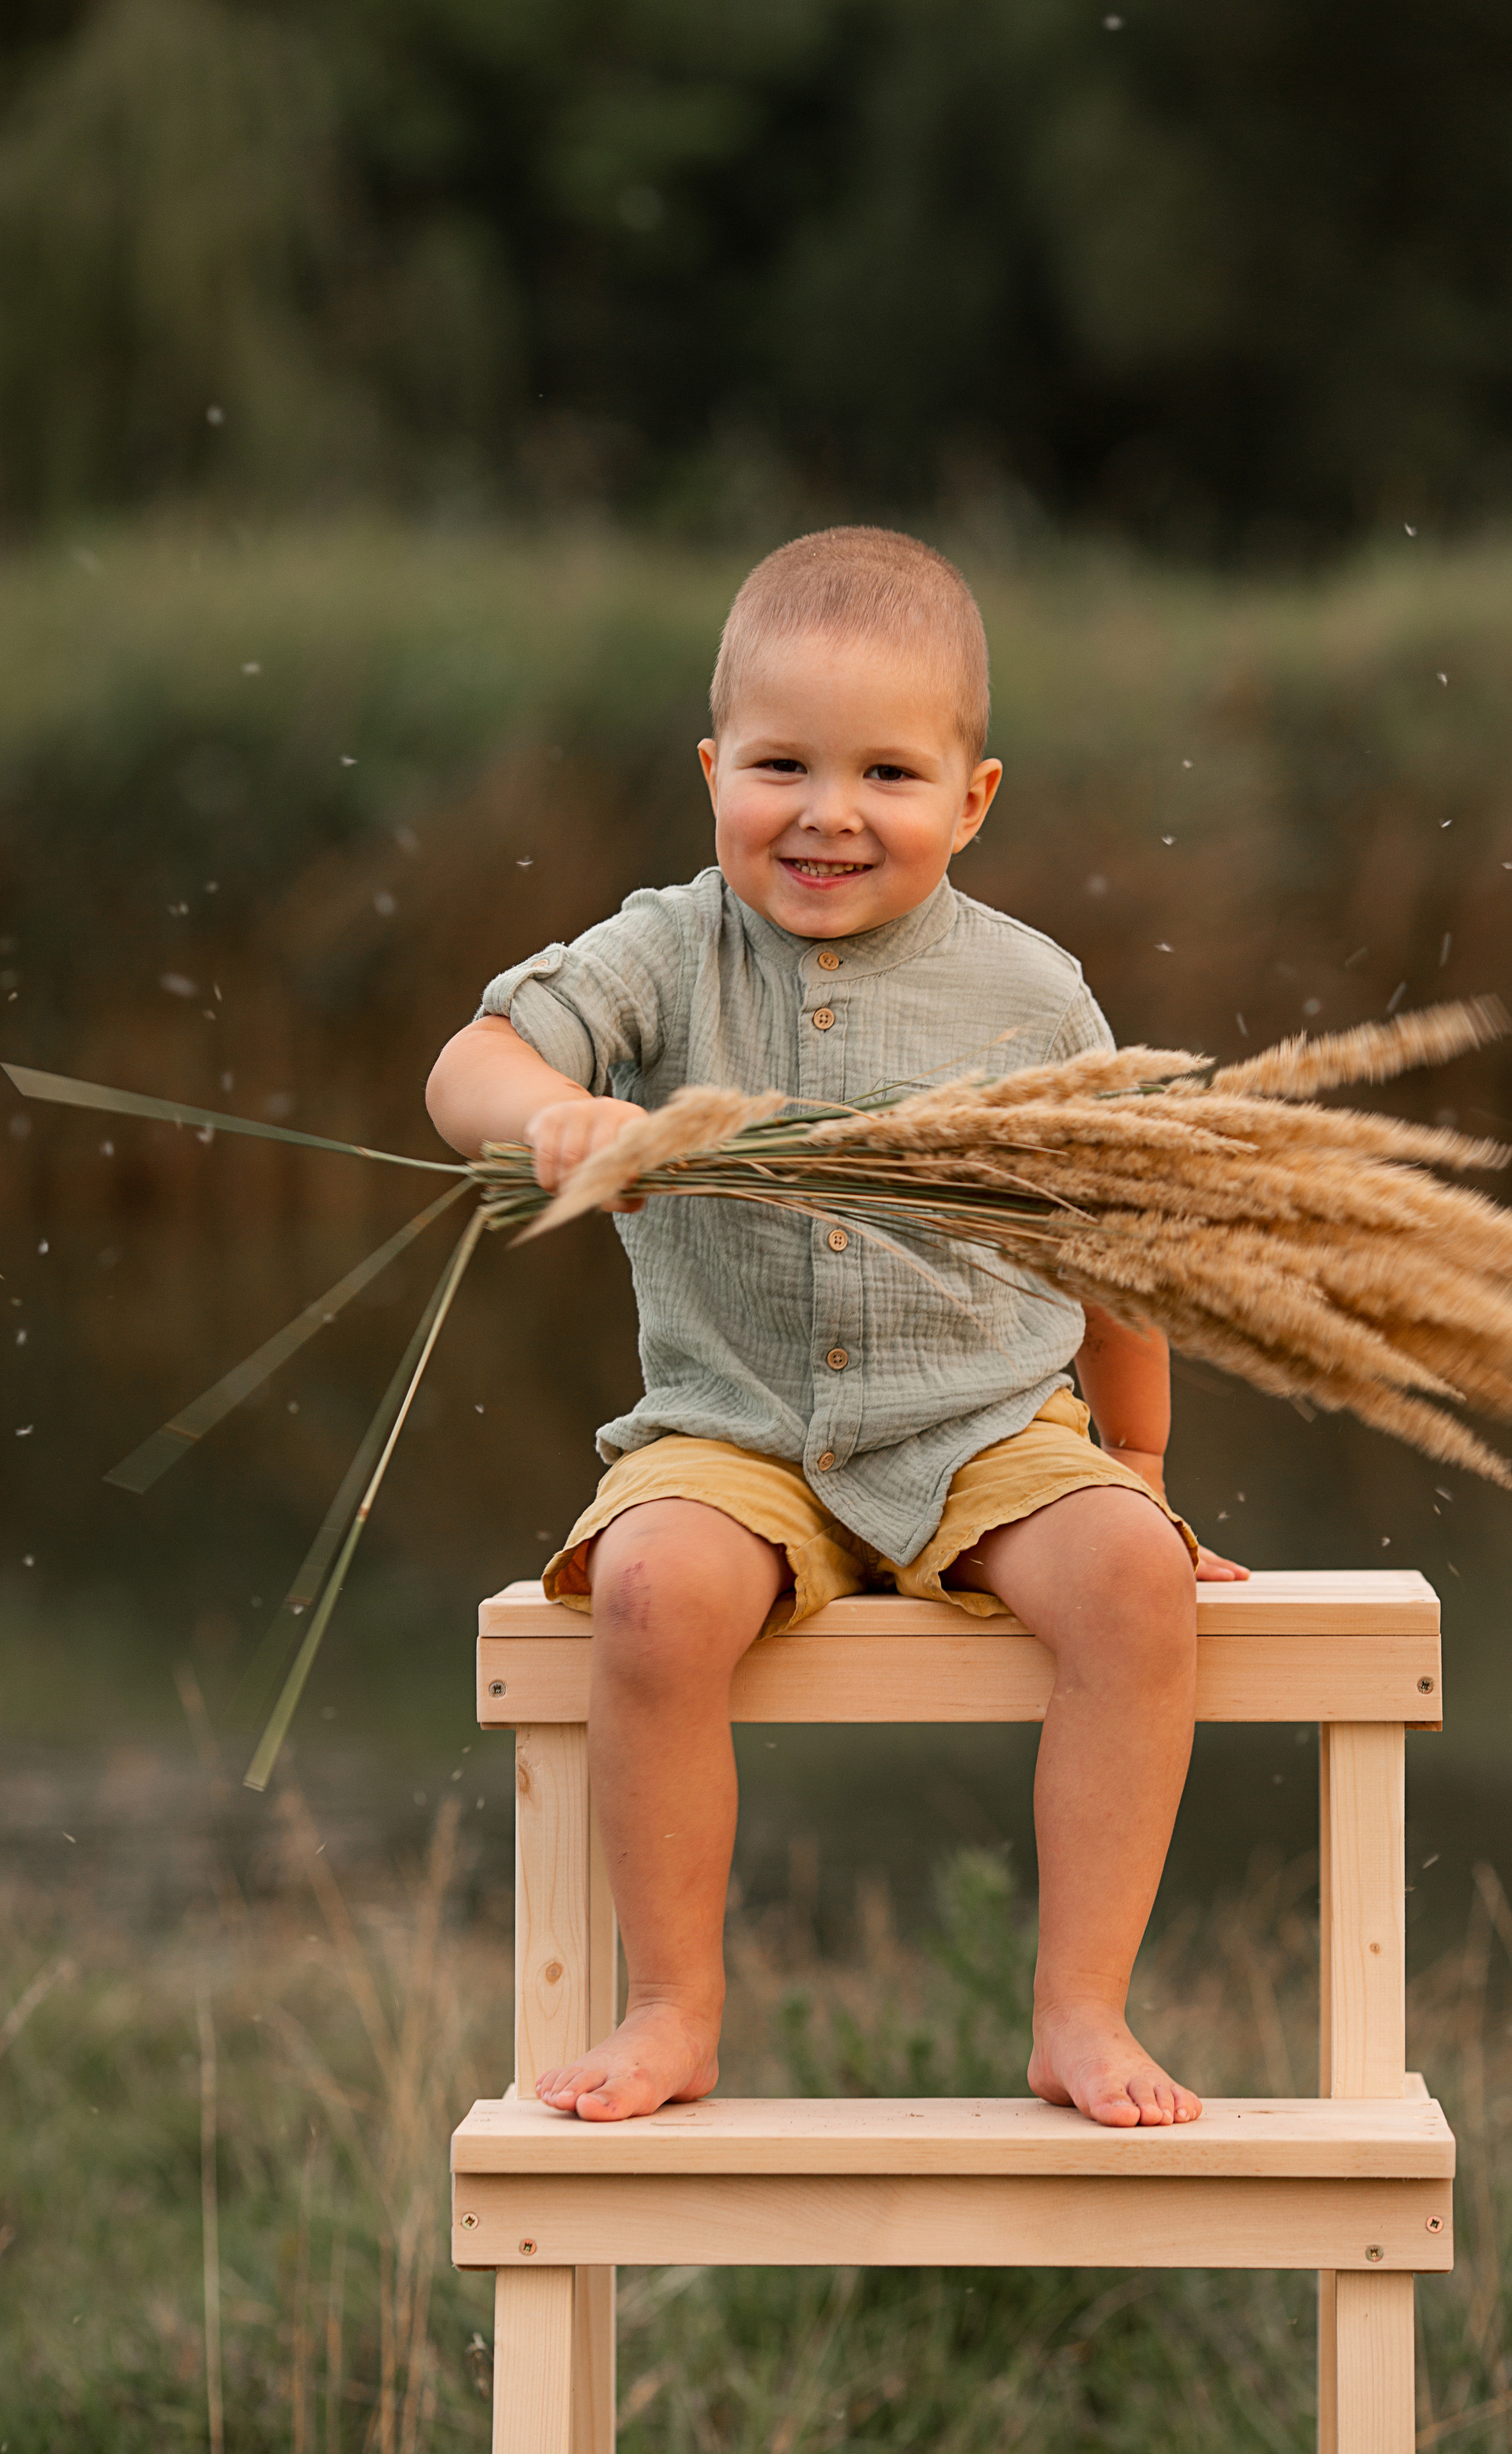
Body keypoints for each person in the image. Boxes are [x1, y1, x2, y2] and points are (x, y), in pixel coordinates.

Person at [425, 527, 1247, 2131]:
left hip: (984, 1429)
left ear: (972, 798)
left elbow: (1115, 1244)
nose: (827, 813)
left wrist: (1139, 1461)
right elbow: (472, 1061)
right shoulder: (663, 951)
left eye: (885, 773)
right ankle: (672, 2005)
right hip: (731, 1433)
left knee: (1133, 1585)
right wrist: (550, 1116)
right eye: (780, 766)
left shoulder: (1030, 996)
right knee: (650, 1593)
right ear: (711, 771)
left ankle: (1079, 2011)